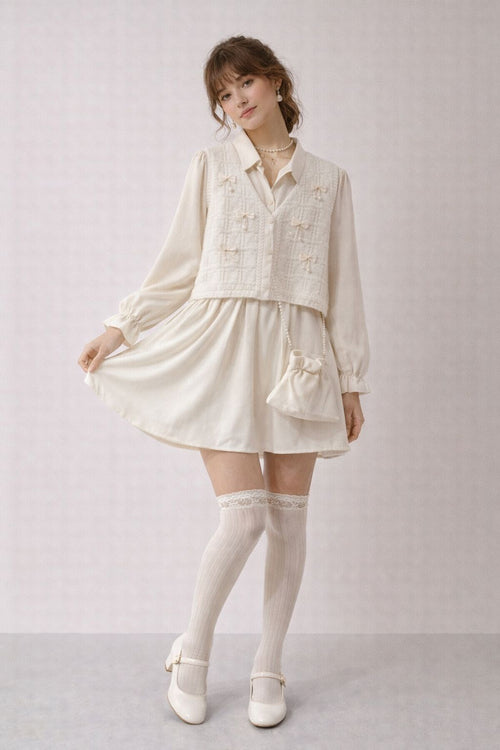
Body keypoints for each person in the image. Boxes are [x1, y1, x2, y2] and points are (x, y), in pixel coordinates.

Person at [77, 34, 371, 727]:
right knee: (244, 515)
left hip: (301, 357)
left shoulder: (330, 180)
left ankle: (269, 666)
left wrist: (351, 380)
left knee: (289, 520)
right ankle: (195, 651)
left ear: (275, 82)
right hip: (223, 352)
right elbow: (178, 265)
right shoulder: (209, 167)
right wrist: (121, 328)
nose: (236, 100)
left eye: (245, 84)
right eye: (223, 93)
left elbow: (344, 286)